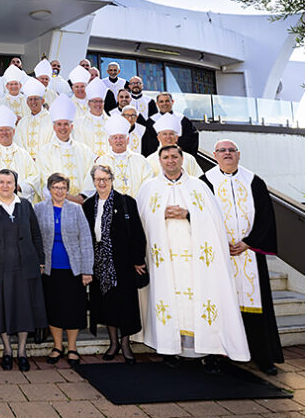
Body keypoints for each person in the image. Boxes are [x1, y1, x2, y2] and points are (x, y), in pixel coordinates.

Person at [136, 145, 250, 371]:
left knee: (203, 300)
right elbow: (140, 221)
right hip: (165, 262)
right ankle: (170, 350)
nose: (170, 161)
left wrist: (188, 214)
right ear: (160, 161)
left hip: (197, 262)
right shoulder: (149, 187)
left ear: (182, 159)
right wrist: (161, 214)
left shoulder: (199, 186)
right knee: (169, 301)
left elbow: (214, 221)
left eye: (174, 157)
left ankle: (207, 350)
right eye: (166, 157)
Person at [201, 140, 283, 375]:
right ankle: (218, 355)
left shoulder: (254, 181)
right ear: (215, 156)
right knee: (220, 304)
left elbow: (266, 215)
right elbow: (200, 215)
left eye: (231, 150)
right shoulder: (205, 182)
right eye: (222, 151)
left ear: (239, 155)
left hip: (250, 254)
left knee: (254, 304)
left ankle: (261, 355)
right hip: (219, 255)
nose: (227, 154)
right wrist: (217, 242)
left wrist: (249, 242)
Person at [83, 165, 146, 365]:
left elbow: (137, 233)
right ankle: (113, 343)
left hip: (122, 264)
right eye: (98, 179)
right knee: (107, 305)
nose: (102, 183)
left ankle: (125, 344)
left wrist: (138, 260)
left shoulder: (126, 202)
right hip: (100, 264)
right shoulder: (88, 204)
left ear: (112, 179)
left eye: (106, 179)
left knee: (125, 305)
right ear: (93, 181)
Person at [0, 169, 45, 372]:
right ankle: (6, 351)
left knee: (23, 309)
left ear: (15, 184)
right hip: (0, 268)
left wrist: (40, 260)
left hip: (25, 266)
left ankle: (21, 352)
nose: (5, 185)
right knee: (2, 309)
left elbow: (36, 235)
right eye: (1, 182)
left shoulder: (26, 206)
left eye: (9, 182)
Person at [35, 173, 94, 367]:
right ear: (49, 189)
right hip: (50, 269)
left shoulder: (76, 209)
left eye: (63, 188)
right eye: (55, 188)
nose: (59, 191)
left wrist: (87, 270)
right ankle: (57, 346)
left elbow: (85, 240)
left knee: (73, 308)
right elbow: (36, 238)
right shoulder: (39, 209)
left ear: (67, 190)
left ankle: (73, 347)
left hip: (73, 268)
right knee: (54, 308)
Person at [37, 95, 96, 203]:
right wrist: (65, 198)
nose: (62, 128)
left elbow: (90, 175)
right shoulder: (44, 152)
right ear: (54, 127)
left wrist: (81, 197)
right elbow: (44, 180)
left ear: (71, 127)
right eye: (59, 124)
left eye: (66, 124)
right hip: (55, 204)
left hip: (82, 203)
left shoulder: (84, 150)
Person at [0, 107, 41, 202]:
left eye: (8, 130)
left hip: (19, 203)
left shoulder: (23, 154)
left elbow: (34, 177)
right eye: (1, 130)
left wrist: (19, 186)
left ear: (13, 132)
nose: (4, 133)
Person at [94, 115, 154, 197]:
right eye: (115, 138)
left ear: (128, 140)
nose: (118, 141)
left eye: (121, 137)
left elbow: (148, 184)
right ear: (109, 141)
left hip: (137, 206)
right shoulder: (101, 162)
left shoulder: (140, 160)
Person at [15, 77, 52, 160]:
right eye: (30, 99)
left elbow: (52, 141)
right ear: (27, 102)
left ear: (42, 101)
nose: (33, 102)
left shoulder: (51, 120)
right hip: (26, 163)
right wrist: (27, 158)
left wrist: (40, 157)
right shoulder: (23, 122)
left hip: (45, 161)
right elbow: (18, 142)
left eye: (36, 99)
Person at [74, 79, 110, 157]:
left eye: (100, 101)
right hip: (87, 162)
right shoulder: (79, 123)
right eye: (94, 101)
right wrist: (93, 157)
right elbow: (78, 145)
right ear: (89, 103)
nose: (98, 104)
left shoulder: (111, 122)